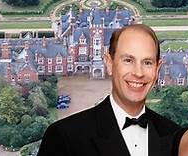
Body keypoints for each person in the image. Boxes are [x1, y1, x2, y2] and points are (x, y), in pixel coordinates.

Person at [37, 24, 180, 156]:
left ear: (157, 69)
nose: (138, 72)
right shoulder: (63, 137)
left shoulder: (175, 136)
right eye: (128, 60)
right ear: (109, 63)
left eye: (147, 62)